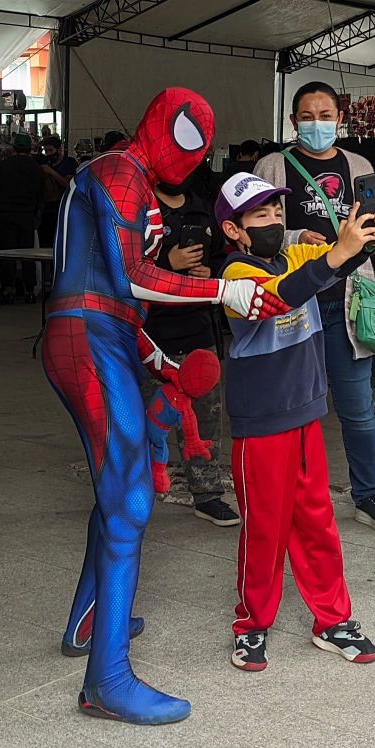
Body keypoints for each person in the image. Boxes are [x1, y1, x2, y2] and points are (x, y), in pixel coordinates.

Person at [41, 87, 290, 726]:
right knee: (128, 498)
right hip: (90, 334)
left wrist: (163, 362)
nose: (193, 154)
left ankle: (89, 623)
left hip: (103, 333)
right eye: (190, 138)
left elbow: (122, 300)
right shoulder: (123, 173)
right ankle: (107, 679)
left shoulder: (127, 177)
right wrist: (222, 289)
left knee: (115, 492)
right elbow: (129, 281)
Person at [215, 171, 375, 671]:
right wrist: (334, 254)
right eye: (260, 215)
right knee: (264, 528)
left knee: (318, 525)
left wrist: (368, 239)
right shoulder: (234, 278)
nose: (273, 221)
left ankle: (333, 620)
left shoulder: (296, 256)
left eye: (276, 212)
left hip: (307, 414)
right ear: (234, 230)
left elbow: (338, 265)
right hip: (261, 424)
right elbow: (277, 299)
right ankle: (251, 625)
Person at [254, 81, 375, 532]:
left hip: (348, 303)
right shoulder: (273, 166)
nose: (318, 124)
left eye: (326, 115)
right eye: (308, 117)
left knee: (358, 408)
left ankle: (370, 495)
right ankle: (287, 497)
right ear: (294, 122)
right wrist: (296, 237)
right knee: (291, 407)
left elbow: (368, 227)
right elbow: (255, 228)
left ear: (340, 118)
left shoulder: (358, 165)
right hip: (297, 303)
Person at [142, 176, 240, 527]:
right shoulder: (141, 209)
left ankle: (207, 494)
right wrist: (168, 263)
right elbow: (122, 269)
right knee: (144, 421)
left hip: (199, 332)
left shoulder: (203, 209)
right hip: (152, 337)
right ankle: (135, 492)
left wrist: (208, 272)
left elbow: (224, 260)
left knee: (205, 420)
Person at [0, 132, 43, 303]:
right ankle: (29, 290)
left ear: (13, 148)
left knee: (8, 254)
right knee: (27, 255)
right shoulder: (36, 168)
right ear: (30, 148)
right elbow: (41, 194)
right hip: (27, 216)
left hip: (6, 215)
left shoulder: (4, 165)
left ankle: (8, 289)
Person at [39, 135, 77, 247]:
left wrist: (51, 172)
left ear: (59, 149)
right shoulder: (47, 163)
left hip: (63, 208)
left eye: (50, 150)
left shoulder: (69, 163)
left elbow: (67, 184)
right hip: (48, 208)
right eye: (46, 151)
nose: (48, 154)